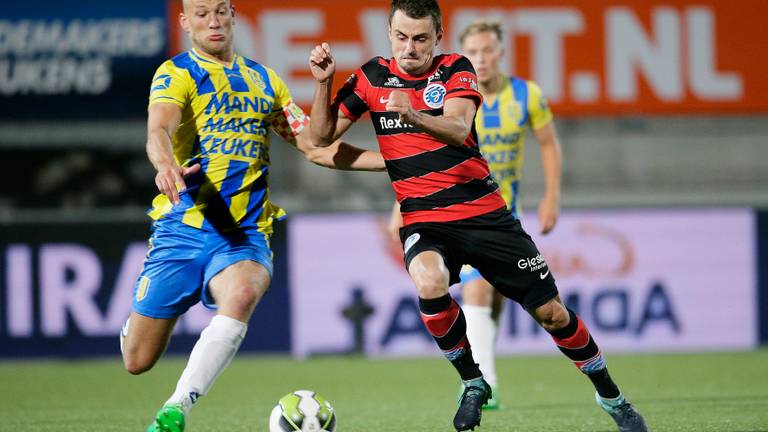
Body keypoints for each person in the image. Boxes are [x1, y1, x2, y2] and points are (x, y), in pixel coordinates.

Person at [308, 1, 649, 431]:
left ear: (438, 36)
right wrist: (323, 85)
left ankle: (611, 396)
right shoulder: (370, 77)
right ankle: (473, 381)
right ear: (388, 32)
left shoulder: (455, 68)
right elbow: (319, 139)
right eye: (400, 37)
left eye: (419, 38)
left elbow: (456, 126)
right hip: (423, 217)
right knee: (429, 281)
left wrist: (411, 115)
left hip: (484, 214)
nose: (409, 47)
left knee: (553, 315)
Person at [119, 1, 385, 431]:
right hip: (182, 229)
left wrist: (397, 160)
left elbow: (316, 146)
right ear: (185, 21)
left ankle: (176, 408)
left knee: (241, 295)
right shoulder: (177, 73)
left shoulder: (264, 80)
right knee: (137, 360)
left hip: (244, 233)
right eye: (201, 13)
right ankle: (134, 328)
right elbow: (159, 129)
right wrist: (165, 164)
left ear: (233, 14)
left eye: (221, 10)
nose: (213, 21)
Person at [387, 19, 563, 411]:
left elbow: (549, 145)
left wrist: (551, 197)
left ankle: (483, 374)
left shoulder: (525, 95)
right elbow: (412, 156)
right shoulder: (445, 93)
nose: (481, 59)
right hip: (447, 209)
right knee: (478, 290)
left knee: (494, 298)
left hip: (500, 209)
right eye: (474, 51)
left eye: (488, 50)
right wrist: (399, 204)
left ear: (500, 53)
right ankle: (487, 384)